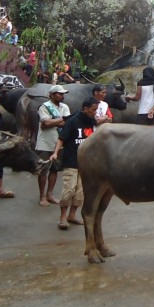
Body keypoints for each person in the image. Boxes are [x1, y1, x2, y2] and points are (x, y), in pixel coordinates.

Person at [51, 97, 99, 230]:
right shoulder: (72, 121)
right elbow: (62, 139)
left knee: (80, 192)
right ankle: (63, 217)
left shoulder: (91, 122)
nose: (95, 112)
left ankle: (72, 215)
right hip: (71, 161)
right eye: (93, 110)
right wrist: (55, 153)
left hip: (86, 164)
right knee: (69, 189)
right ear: (85, 109)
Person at [36, 85, 70, 206]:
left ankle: (50, 194)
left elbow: (66, 123)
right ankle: (42, 196)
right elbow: (46, 122)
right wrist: (60, 120)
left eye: (62, 94)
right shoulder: (44, 107)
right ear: (52, 94)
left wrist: (53, 122)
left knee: (55, 170)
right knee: (43, 171)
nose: (62, 96)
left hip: (58, 143)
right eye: (59, 94)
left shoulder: (64, 107)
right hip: (45, 143)